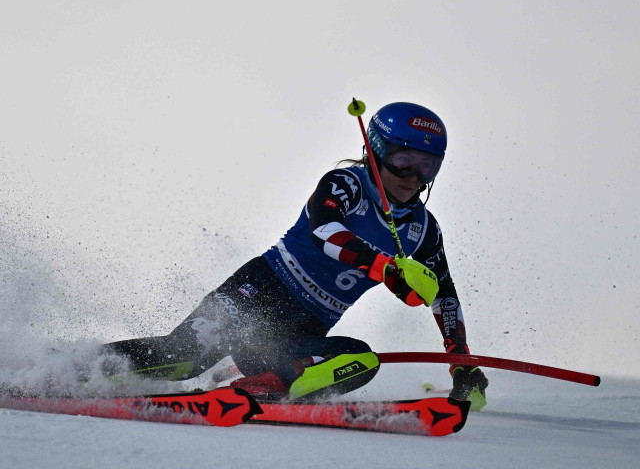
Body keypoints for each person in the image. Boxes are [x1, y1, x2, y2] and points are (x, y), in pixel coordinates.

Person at [102, 102, 488, 409]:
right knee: (183, 360)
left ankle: (261, 388)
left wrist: (461, 362)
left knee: (360, 361)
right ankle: (74, 368)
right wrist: (384, 268)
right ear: (376, 149)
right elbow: (326, 232)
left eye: (428, 166)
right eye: (405, 161)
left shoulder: (424, 229)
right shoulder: (346, 183)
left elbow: (445, 297)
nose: (414, 177)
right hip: (257, 293)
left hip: (297, 332)